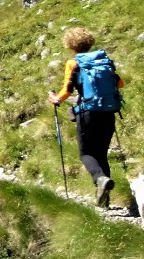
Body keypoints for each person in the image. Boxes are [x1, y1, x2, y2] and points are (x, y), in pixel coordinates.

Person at [47, 27, 124, 208]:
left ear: (70, 45)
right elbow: (120, 83)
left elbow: (67, 90)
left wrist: (54, 98)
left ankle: (100, 179)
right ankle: (104, 199)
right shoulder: (104, 60)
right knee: (101, 154)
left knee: (87, 153)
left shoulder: (74, 63)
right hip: (108, 113)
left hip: (87, 113)